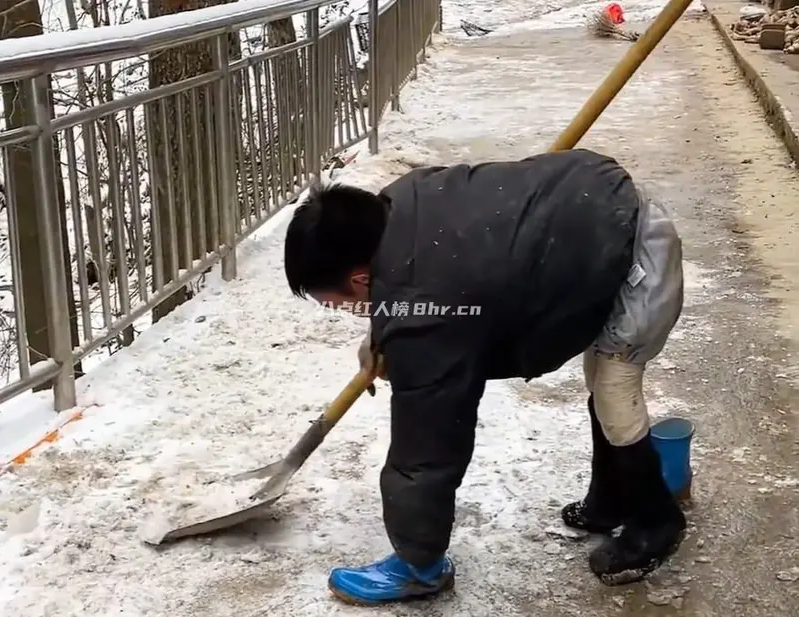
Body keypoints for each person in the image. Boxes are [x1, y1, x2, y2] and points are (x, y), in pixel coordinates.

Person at [283, 148, 687, 605]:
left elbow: (428, 446)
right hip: (592, 209)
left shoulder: (429, 309)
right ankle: (611, 497)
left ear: (359, 279)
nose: (337, 310)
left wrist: (420, 556)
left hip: (635, 259)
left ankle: (657, 520)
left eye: (330, 301)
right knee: (601, 382)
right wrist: (382, 338)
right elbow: (413, 288)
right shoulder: (398, 205)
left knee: (613, 388)